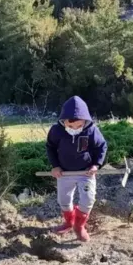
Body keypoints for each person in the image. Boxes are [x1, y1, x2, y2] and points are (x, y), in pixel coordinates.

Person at [46, 96, 108, 241]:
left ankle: (79, 226)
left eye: (78, 126)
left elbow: (101, 146)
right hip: (64, 174)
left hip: (85, 173)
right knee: (64, 200)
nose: (75, 129)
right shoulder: (56, 131)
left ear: (85, 121)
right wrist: (55, 166)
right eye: (71, 126)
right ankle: (69, 222)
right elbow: (50, 148)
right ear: (64, 120)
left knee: (88, 200)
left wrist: (96, 165)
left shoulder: (91, 130)